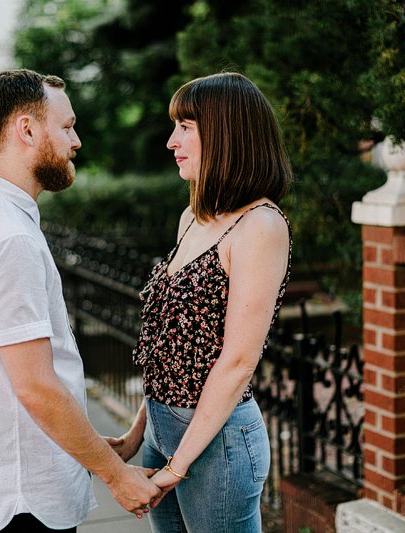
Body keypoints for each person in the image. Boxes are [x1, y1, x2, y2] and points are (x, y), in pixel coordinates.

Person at [0, 69, 160, 533]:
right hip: (23, 502)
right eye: (66, 126)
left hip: (10, 480)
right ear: (27, 129)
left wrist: (93, 450)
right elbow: (35, 386)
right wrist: (115, 475)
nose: (76, 140)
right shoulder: (9, 238)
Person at [108, 72, 293, 532]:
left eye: (186, 127)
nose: (172, 141)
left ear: (227, 132)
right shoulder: (193, 216)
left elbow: (237, 361)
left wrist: (178, 467)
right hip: (163, 432)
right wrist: (138, 435)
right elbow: (170, 345)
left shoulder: (261, 227)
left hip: (217, 447)